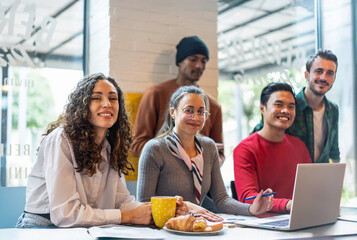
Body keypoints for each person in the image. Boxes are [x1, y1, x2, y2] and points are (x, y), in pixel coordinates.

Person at [16, 73, 152, 228]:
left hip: (81, 227)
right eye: (96, 98)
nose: (107, 103)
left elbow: (122, 201)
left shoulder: (110, 146)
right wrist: (127, 216)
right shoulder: (61, 139)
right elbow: (65, 214)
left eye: (113, 98)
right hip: (42, 226)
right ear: (82, 105)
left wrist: (155, 212)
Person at [137, 86, 273, 217]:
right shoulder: (154, 149)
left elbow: (221, 199)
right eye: (188, 110)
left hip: (195, 227)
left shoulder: (208, 147)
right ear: (173, 112)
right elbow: (144, 205)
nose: (196, 117)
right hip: (164, 230)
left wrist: (251, 209)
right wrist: (184, 207)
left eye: (201, 112)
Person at [132, 36, 225, 166]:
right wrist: (177, 154)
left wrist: (207, 158)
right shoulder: (155, 94)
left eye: (204, 61)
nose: (199, 66)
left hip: (202, 182)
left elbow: (219, 153)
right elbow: (137, 145)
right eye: (193, 60)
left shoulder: (213, 105)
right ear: (180, 62)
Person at [234, 82, 312, 213]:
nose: (285, 111)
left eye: (291, 107)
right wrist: (287, 204)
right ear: (262, 109)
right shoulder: (245, 149)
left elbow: (311, 187)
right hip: (263, 225)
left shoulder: (299, 146)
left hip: (299, 217)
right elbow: (249, 198)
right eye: (278, 105)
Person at [252, 50, 340, 163]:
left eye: (330, 73)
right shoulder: (288, 108)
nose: (324, 77)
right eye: (319, 71)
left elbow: (334, 152)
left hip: (322, 177)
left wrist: (338, 177)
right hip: (289, 177)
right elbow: (258, 137)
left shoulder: (333, 110)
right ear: (306, 75)